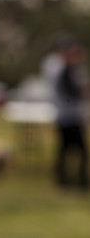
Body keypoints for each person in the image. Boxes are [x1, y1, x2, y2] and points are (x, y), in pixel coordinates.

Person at [43, 38, 89, 188]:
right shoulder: (61, 69)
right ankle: (73, 180)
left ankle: (67, 179)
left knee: (67, 149)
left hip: (69, 114)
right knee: (75, 149)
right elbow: (71, 91)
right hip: (67, 115)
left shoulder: (67, 68)